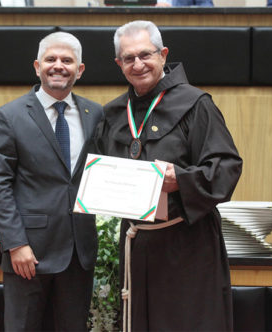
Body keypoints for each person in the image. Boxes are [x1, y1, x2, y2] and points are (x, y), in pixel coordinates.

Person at [95, 20, 242, 331]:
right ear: (119, 64)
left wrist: (182, 179)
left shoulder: (196, 104)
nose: (138, 64)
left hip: (186, 246)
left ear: (163, 54)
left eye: (145, 55)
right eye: (129, 58)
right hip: (136, 244)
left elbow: (227, 167)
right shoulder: (112, 113)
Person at [0, 31, 103, 331]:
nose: (58, 66)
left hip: (79, 254)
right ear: (37, 67)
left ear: (80, 69)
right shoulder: (10, 116)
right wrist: (15, 244)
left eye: (67, 60)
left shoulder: (96, 114)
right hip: (29, 255)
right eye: (51, 59)